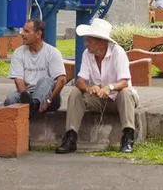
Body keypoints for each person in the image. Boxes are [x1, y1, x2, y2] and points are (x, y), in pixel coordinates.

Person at [56, 18, 138, 155]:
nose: (86, 43)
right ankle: (70, 137)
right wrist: (89, 88)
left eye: (89, 40)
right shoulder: (87, 54)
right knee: (76, 93)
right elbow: (80, 80)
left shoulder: (118, 52)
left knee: (126, 93)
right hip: (98, 99)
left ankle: (128, 137)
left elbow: (124, 81)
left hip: (118, 99)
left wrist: (109, 87)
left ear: (101, 42)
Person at [4, 19, 67, 114]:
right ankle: (32, 106)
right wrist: (25, 96)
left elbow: (61, 80)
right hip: (27, 95)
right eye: (22, 30)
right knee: (10, 100)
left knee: (46, 80)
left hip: (49, 97)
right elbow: (18, 79)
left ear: (38, 34)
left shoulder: (52, 52)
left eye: (26, 31)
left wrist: (49, 100)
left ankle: (34, 104)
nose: (22, 34)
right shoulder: (18, 52)